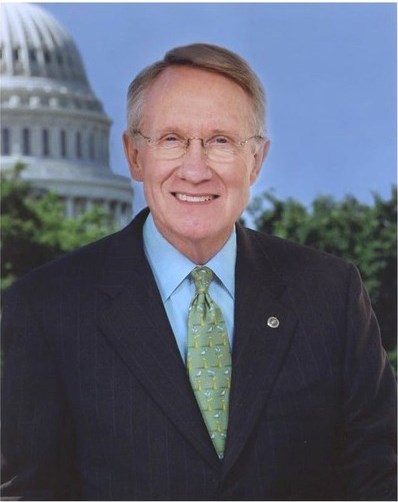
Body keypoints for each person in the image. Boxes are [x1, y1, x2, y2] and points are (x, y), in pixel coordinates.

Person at [1, 43, 396, 501]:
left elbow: (380, 474)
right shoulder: (49, 305)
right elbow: (32, 492)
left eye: (220, 141)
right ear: (133, 155)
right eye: (171, 139)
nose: (195, 169)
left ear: (256, 160)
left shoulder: (331, 293)